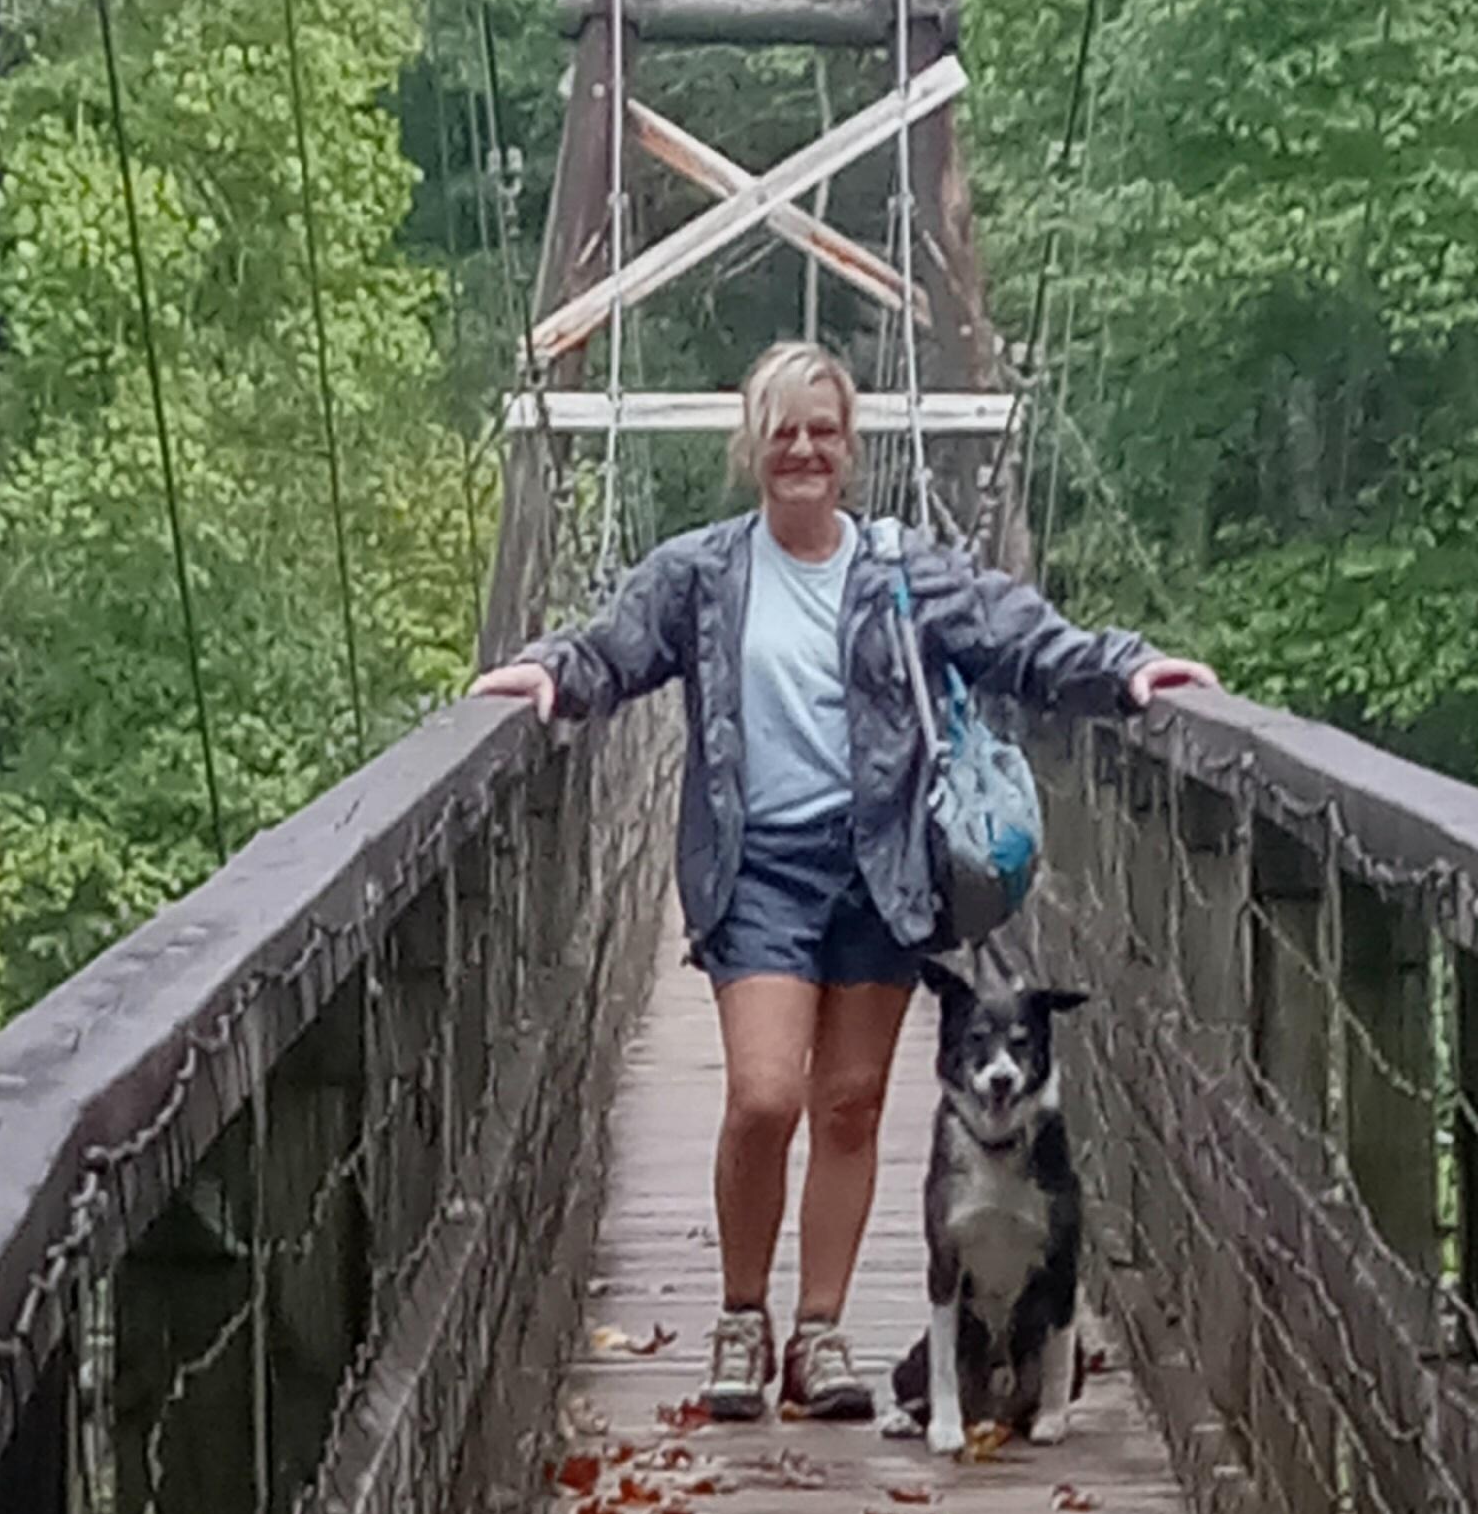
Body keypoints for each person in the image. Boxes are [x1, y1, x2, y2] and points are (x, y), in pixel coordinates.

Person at [471, 339, 1217, 1422]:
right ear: (754, 447)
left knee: (854, 1104)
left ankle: (819, 1334)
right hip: (757, 865)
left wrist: (1121, 668)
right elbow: (615, 644)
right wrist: (551, 670)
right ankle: (741, 1316)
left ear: (849, 447)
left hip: (880, 866)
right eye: (784, 432)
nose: (805, 450)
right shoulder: (703, 572)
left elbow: (1013, 634)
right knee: (767, 1095)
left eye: (824, 430)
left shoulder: (901, 571)